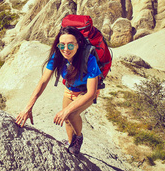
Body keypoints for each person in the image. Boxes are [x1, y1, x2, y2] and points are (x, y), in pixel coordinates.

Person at [15, 26, 102, 154]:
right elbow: (43, 81)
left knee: (71, 114)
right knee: (67, 119)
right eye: (62, 45)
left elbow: (91, 92)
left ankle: (78, 137)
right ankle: (70, 142)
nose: (66, 50)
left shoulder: (89, 59)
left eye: (70, 45)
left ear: (78, 44)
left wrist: (66, 110)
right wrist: (28, 107)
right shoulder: (57, 56)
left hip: (85, 92)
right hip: (70, 89)